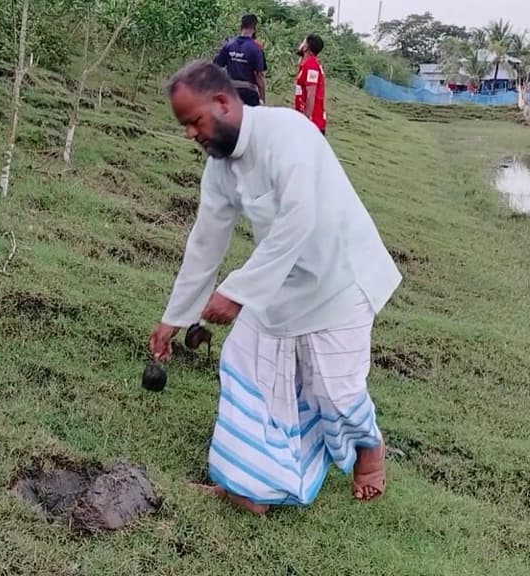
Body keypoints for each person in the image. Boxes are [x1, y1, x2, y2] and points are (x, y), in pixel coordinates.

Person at [149, 60, 402, 515]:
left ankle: (370, 451)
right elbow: (205, 244)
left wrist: (238, 292)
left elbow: (298, 220)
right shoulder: (220, 170)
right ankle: (249, 485)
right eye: (185, 126)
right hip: (280, 283)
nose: (191, 134)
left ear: (223, 103)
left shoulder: (289, 133)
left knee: (335, 390)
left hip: (340, 278)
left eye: (195, 122)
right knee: (245, 366)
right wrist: (175, 317)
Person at [213, 14, 267, 107]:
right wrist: (262, 99)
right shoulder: (256, 48)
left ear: (240, 27)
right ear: (254, 28)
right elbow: (259, 76)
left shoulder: (229, 44)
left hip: (231, 91)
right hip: (249, 93)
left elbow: (216, 65)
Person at [294, 34, 327, 134]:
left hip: (312, 123)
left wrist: (306, 120)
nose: (301, 44)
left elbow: (311, 94)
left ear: (306, 47)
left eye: (303, 42)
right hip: (306, 120)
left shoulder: (311, 66)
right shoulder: (306, 65)